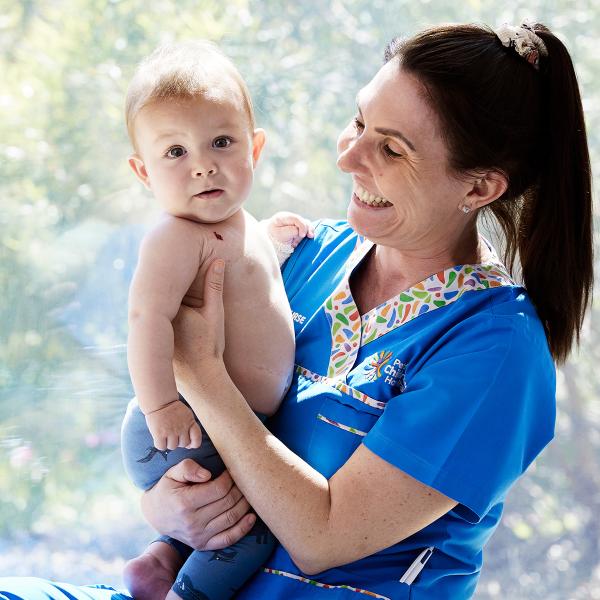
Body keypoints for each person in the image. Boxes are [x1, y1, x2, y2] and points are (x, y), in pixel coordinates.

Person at [0, 20, 592, 600]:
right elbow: (199, 448)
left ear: (480, 188)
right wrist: (170, 506)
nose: (349, 157)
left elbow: (323, 536)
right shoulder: (306, 252)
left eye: (390, 148)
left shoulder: (495, 348)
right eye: (359, 122)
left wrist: (202, 376)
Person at [119, 40, 313, 600]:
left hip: (221, 419)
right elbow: (146, 318)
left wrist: (272, 243)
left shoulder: (236, 223)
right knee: (250, 527)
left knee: (217, 507)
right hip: (183, 420)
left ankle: (158, 563)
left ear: (254, 148)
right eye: (174, 152)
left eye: (221, 142)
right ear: (143, 171)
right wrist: (162, 405)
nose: (202, 163)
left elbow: (239, 287)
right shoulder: (175, 237)